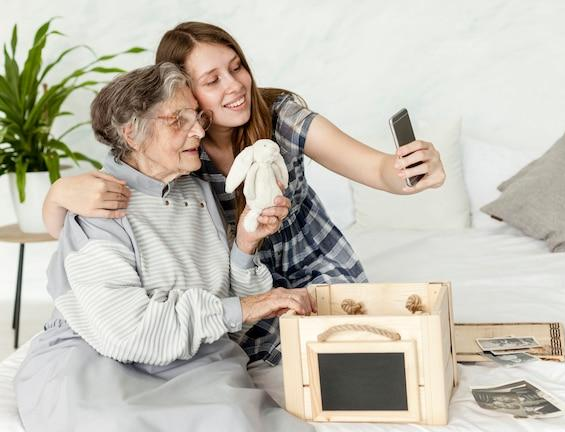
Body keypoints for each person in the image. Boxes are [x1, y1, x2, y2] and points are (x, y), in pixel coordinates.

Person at [42, 22, 446, 367]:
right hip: (239, 282)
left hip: (311, 265)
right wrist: (58, 192)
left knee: (356, 350)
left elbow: (374, 168)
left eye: (237, 68)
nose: (235, 85)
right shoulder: (179, 150)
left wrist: (407, 172)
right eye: (212, 80)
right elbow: (86, 223)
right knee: (247, 364)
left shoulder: (279, 115)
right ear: (184, 91)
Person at [15, 62, 314, 432]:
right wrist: (246, 306)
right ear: (132, 134)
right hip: (98, 357)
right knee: (114, 423)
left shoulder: (197, 188)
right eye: (179, 120)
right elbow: (127, 334)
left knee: (235, 419)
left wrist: (246, 244)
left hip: (190, 355)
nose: (199, 130)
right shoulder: (97, 202)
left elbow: (225, 314)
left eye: (198, 116)